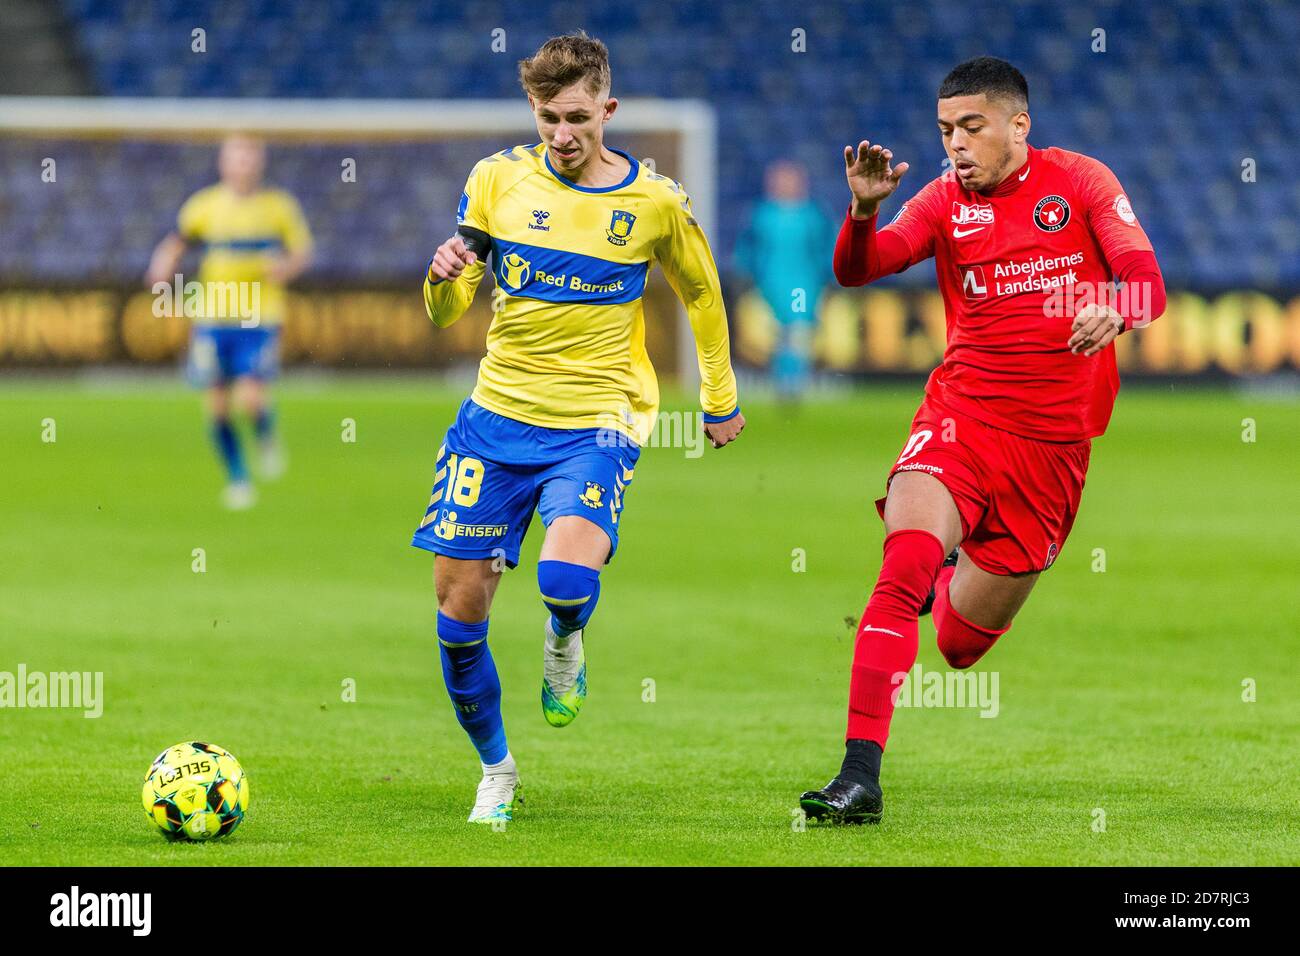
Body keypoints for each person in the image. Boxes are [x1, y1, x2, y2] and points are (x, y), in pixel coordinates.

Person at [798, 56, 1165, 824]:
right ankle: (859, 775)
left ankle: (950, 567)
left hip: (1053, 454)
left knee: (961, 645)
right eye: (945, 131)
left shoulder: (1083, 183)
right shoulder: (942, 201)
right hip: (961, 420)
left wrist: (1115, 307)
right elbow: (860, 270)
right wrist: (862, 211)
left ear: (1017, 125)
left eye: (972, 127)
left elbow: (1147, 282)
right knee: (904, 561)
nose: (956, 145)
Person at [414, 32, 745, 824]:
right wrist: (440, 283)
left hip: (599, 420)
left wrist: (719, 395)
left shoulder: (654, 202)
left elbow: (700, 294)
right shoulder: (495, 181)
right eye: (546, 118)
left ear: (607, 109)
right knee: (459, 616)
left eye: (575, 117)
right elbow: (448, 312)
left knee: (564, 579)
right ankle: (497, 770)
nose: (561, 136)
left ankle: (566, 637)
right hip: (494, 421)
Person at [146, 133, 312, 510]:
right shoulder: (205, 206)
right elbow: (177, 242)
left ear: (260, 163)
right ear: (224, 163)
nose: (244, 165)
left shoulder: (278, 207)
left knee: (251, 398)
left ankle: (265, 434)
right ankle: (238, 479)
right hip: (213, 316)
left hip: (260, 315)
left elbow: (302, 251)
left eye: (250, 158)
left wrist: (286, 267)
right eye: (237, 158)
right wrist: (161, 266)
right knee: (218, 405)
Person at [733, 160, 834, 400]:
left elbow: (825, 248)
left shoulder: (813, 215)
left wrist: (827, 276)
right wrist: (745, 272)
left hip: (803, 285)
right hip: (770, 285)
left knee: (798, 331)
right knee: (777, 333)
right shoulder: (762, 214)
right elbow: (748, 247)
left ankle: (793, 382)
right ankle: (782, 380)